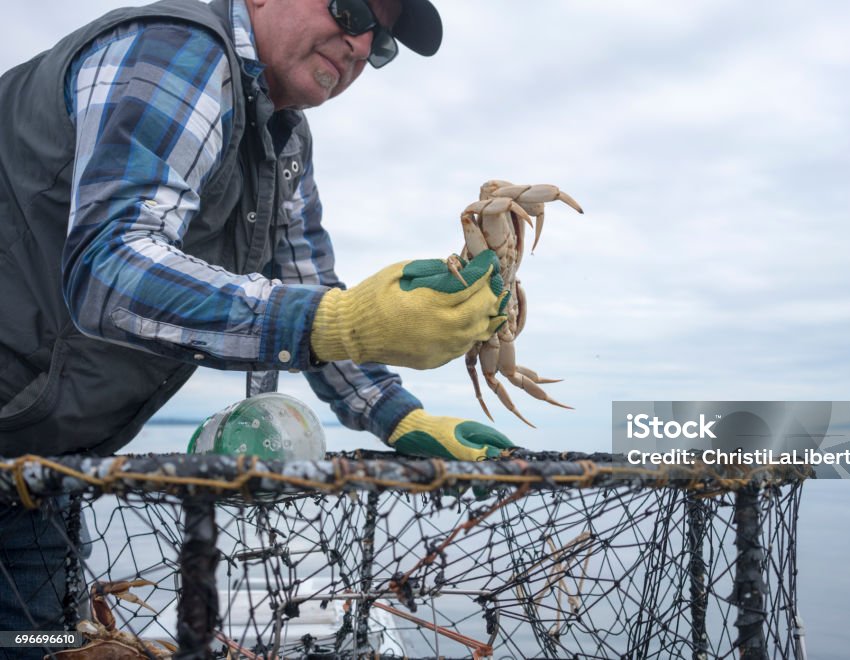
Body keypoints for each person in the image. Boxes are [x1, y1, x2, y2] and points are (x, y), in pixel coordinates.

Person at [0, 0, 515, 637]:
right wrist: (339, 320)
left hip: (36, 473)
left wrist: (400, 416)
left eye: (380, 42)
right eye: (351, 9)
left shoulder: (285, 140)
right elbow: (109, 272)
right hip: (20, 444)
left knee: (36, 641)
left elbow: (313, 288)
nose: (359, 44)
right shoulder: (175, 52)